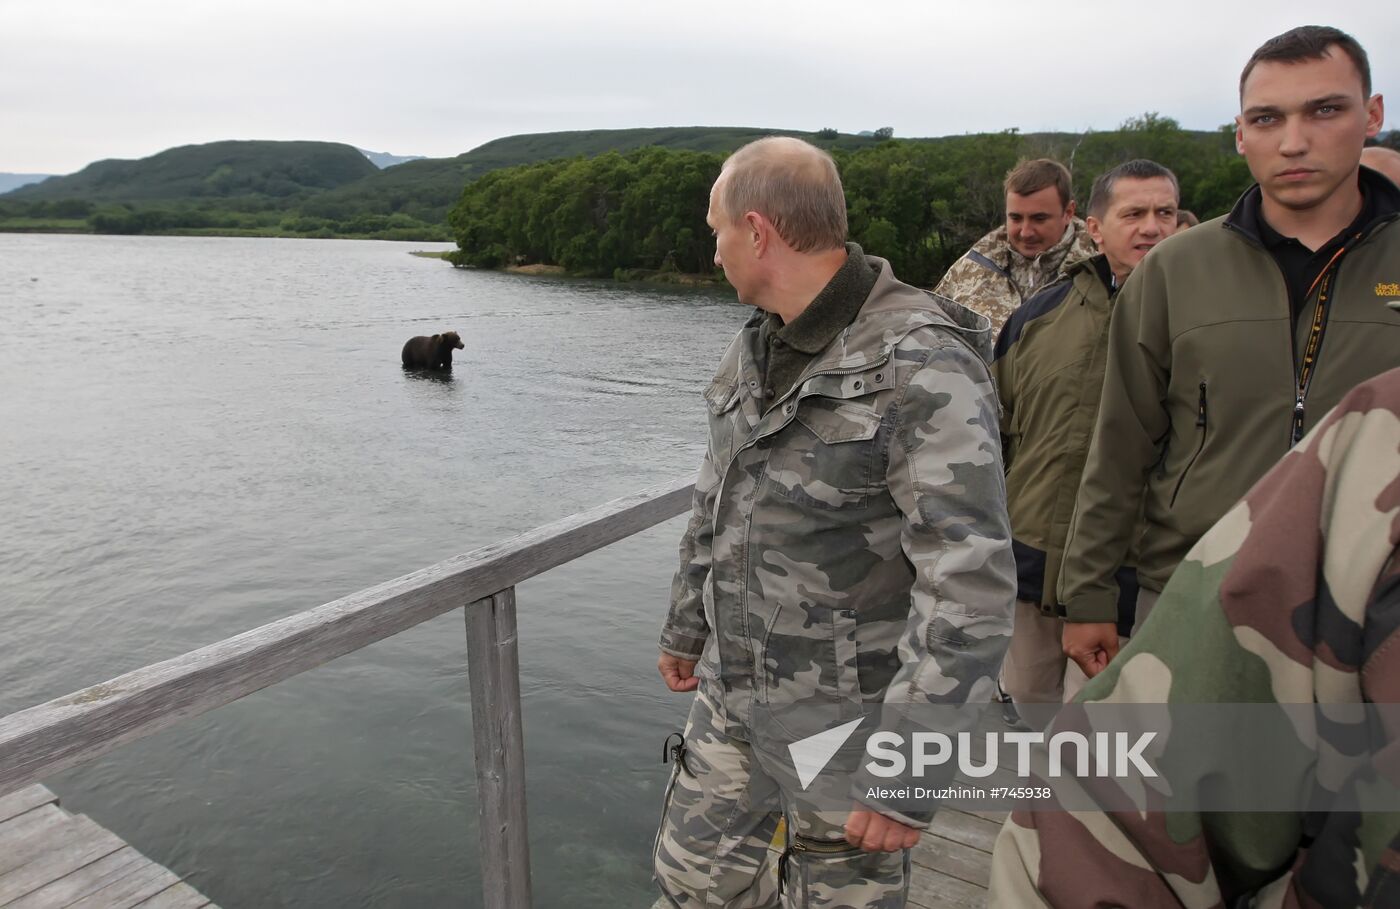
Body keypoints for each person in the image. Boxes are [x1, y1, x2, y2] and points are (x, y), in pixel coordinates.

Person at [654, 136, 1015, 906]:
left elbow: (968, 579)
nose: (713, 251)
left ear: (758, 231)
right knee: (691, 883)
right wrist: (686, 625)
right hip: (734, 692)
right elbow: (714, 495)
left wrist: (911, 767)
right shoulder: (756, 344)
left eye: (716, 229)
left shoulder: (921, 361)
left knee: (837, 892)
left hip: (845, 713)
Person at [1057, 24, 1400, 679]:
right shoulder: (1175, 270)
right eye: (1267, 118)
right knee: (1195, 780)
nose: (1293, 141)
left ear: (1373, 115)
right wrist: (1091, 592)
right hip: (1195, 591)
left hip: (1378, 610)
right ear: (1241, 134)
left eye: (1324, 110)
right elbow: (1120, 444)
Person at [987, 365, 1400, 908]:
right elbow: (1091, 444)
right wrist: (1084, 592)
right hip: (1069, 566)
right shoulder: (1057, 311)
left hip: (1166, 583)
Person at [991, 160, 1179, 720]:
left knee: (1101, 722)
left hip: (1134, 567)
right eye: (1134, 213)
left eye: (1164, 212)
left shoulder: (1204, 322)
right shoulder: (1036, 316)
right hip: (1031, 555)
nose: (1152, 227)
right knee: (1027, 698)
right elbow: (993, 431)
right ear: (1095, 227)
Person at [933, 158, 1098, 335]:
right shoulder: (972, 266)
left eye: (1039, 219)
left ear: (1068, 212)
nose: (1026, 232)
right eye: (1016, 218)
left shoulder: (1101, 272)